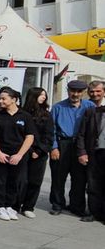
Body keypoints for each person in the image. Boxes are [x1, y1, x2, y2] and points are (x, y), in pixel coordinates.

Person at [49, 79, 95, 216]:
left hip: (81, 146)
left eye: (79, 91)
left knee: (79, 179)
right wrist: (54, 147)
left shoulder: (90, 106)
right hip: (63, 144)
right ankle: (57, 204)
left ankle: (77, 206)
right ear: (68, 91)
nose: (75, 94)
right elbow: (51, 129)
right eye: (72, 91)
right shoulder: (58, 107)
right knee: (58, 177)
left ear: (83, 93)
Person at [0, 87, 35, 221]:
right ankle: (0, 206)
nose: (1, 101)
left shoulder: (25, 116)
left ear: (14, 99)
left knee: (15, 180)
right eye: (0, 98)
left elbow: (29, 137)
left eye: (4, 98)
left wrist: (20, 155)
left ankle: (9, 205)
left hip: (18, 154)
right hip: (1, 153)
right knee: (0, 180)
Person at [20, 88, 54, 218]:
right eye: (40, 95)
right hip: (24, 151)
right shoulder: (23, 113)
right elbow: (20, 135)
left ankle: (29, 206)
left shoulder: (46, 114)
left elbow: (49, 135)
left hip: (40, 153)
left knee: (35, 181)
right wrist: (29, 150)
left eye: (45, 95)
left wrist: (39, 151)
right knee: (21, 180)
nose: (43, 97)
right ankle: (16, 204)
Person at [77, 80, 105, 222]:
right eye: (92, 92)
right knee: (93, 184)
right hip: (94, 152)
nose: (95, 94)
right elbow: (81, 133)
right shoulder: (89, 110)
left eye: (98, 91)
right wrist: (82, 152)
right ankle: (94, 212)